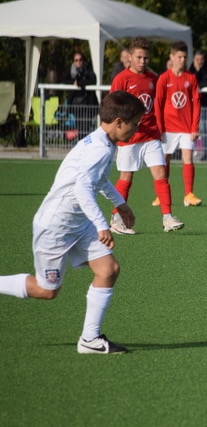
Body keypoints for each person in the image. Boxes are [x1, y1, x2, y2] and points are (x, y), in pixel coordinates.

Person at [0, 91, 145, 354]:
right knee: (46, 291)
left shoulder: (103, 141)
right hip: (56, 226)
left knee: (108, 269)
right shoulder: (99, 148)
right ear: (119, 122)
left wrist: (120, 203)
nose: (136, 129)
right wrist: (102, 224)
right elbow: (82, 188)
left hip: (77, 224)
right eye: (134, 123)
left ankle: (90, 339)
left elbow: (99, 180)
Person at [109, 37, 184, 234]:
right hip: (129, 137)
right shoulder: (121, 79)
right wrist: (121, 127)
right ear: (130, 57)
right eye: (139, 57)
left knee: (161, 173)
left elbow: (157, 103)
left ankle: (167, 217)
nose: (143, 61)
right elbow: (113, 106)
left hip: (151, 135)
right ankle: (116, 218)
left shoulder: (153, 78)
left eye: (146, 58)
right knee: (126, 177)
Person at [153, 41, 202, 208]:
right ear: (172, 57)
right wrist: (159, 128)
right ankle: (161, 195)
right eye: (179, 57)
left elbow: (196, 104)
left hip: (187, 128)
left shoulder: (191, 78)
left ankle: (189, 194)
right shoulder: (164, 78)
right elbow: (158, 104)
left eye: (185, 57)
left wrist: (195, 127)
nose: (182, 60)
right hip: (168, 128)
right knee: (165, 159)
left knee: (188, 158)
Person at [62, 52, 98, 137]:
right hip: (76, 103)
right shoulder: (71, 71)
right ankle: (81, 142)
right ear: (73, 61)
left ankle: (86, 143)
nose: (79, 62)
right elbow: (64, 80)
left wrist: (79, 83)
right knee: (79, 126)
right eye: (76, 60)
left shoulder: (88, 70)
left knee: (86, 126)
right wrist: (73, 82)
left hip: (87, 103)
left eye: (80, 60)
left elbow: (93, 80)